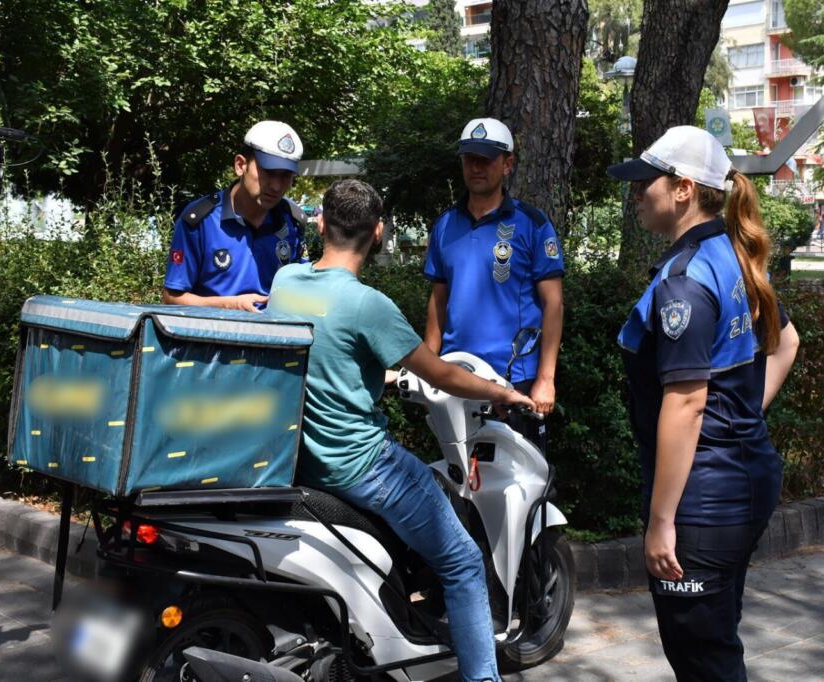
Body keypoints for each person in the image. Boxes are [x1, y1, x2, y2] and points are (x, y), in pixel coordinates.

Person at [267, 179, 533, 682]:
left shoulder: (286, 281)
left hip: (300, 460)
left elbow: (323, 353)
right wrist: (501, 392)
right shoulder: (368, 304)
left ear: (321, 224)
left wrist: (381, 375)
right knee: (462, 561)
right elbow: (441, 374)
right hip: (361, 466)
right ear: (379, 232)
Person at [607, 126, 800, 681]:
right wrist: (742, 418)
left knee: (703, 659)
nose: (637, 193)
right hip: (743, 478)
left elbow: (688, 403)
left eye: (646, 182)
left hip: (703, 498)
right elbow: (787, 343)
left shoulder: (685, 280)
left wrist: (661, 520)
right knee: (716, 642)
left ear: (684, 189)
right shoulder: (733, 253)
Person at [423, 117, 565, 452]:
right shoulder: (444, 226)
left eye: (486, 159)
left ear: (507, 164)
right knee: (459, 477)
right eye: (469, 159)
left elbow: (554, 304)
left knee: (520, 477)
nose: (476, 167)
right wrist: (428, 366)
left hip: (515, 380)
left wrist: (546, 379)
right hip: (455, 375)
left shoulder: (532, 224)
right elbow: (438, 300)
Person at [163, 120, 309, 312]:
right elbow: (172, 298)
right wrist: (229, 305)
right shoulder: (200, 221)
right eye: (268, 173)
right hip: (213, 329)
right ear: (240, 165)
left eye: (285, 176)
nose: (276, 186)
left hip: (274, 330)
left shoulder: (293, 221)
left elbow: (301, 290)